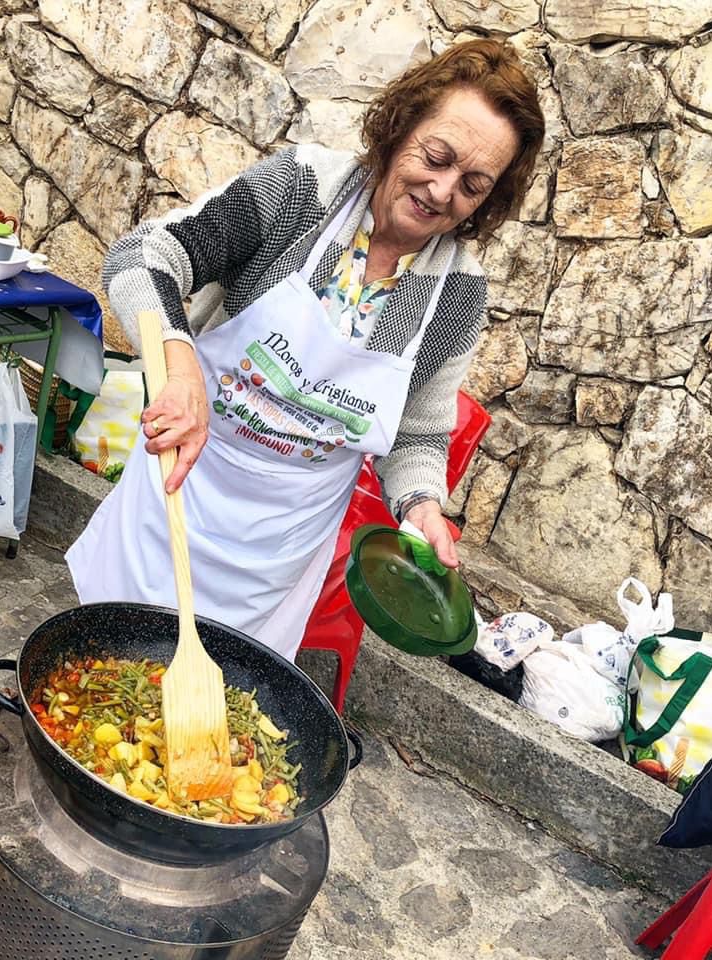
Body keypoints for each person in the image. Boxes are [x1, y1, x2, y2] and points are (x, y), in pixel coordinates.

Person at [66, 38, 545, 661]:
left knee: (230, 708)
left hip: (281, 551)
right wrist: (177, 364)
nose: (442, 189)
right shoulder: (300, 190)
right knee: (101, 674)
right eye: (436, 156)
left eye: (473, 185)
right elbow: (142, 257)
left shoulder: (457, 294)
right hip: (180, 493)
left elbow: (419, 434)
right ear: (401, 128)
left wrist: (423, 504)